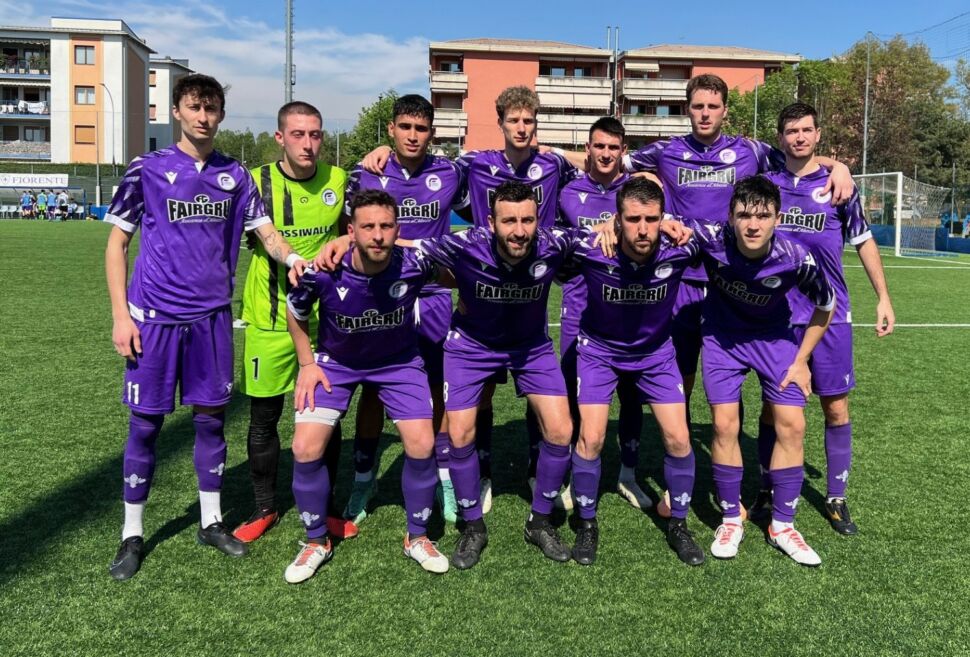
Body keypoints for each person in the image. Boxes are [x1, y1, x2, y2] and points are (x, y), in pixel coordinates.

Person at [104, 73, 308, 581]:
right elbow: (117, 245)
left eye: (211, 108)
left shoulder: (234, 175)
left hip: (212, 319)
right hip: (154, 321)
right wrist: (121, 316)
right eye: (195, 107)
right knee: (145, 426)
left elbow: (267, 234)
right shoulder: (147, 169)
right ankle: (132, 533)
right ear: (177, 111)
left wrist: (293, 258)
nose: (203, 117)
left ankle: (211, 522)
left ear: (220, 115)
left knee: (211, 422)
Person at [554, 74, 853, 418]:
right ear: (688, 109)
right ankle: (678, 442)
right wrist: (558, 156)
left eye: (713, 106)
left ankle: (727, 438)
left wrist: (838, 166)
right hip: (680, 279)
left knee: (729, 372)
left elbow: (797, 155)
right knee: (681, 373)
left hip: (730, 280)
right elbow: (608, 162)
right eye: (698, 106)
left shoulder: (750, 150)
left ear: (725, 110)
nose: (705, 113)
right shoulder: (666, 150)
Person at [362, 87, 581, 512]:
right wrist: (384, 149)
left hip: (530, 288)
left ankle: (538, 469)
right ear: (500, 123)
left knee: (540, 395)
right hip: (482, 284)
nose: (521, 128)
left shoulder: (552, 164)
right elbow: (424, 161)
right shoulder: (474, 163)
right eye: (514, 120)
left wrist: (560, 150)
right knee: (480, 394)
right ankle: (481, 472)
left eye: (529, 121)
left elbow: (599, 166)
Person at [283, 189, 449, 583]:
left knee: (422, 443)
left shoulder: (415, 264)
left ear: (398, 230)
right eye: (368, 226)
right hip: (336, 364)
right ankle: (316, 541)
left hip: (399, 363)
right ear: (351, 231)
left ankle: (418, 537)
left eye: (386, 226)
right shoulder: (323, 271)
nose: (377, 235)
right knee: (305, 447)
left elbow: (458, 272)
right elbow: (295, 310)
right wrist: (306, 364)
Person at [751, 102, 895, 534]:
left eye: (806, 130)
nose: (799, 137)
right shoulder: (768, 185)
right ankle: (765, 487)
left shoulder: (838, 187)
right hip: (779, 318)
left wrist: (883, 298)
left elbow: (864, 241)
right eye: (791, 130)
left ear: (817, 135)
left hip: (831, 316)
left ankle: (836, 497)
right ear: (780, 138)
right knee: (772, 407)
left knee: (835, 406)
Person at [691, 175, 834, 566]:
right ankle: (730, 518)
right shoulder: (711, 238)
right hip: (722, 339)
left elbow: (826, 304)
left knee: (793, 425)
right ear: (730, 217)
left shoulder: (795, 256)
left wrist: (801, 360)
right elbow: (663, 226)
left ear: (777, 219)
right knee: (724, 425)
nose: (753, 225)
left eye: (763, 216)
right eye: (744, 215)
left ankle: (782, 526)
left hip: (775, 340)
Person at [230, 101, 352, 544]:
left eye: (315, 134)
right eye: (298, 134)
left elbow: (356, 228)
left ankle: (328, 507)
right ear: (279, 137)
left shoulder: (339, 180)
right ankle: (265, 507)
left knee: (326, 415)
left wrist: (343, 240)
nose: (307, 143)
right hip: (268, 318)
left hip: (323, 321)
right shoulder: (254, 181)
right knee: (264, 416)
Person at [565, 177, 704, 566]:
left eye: (651, 219)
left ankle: (679, 524)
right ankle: (586, 523)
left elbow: (729, 233)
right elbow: (539, 244)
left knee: (679, 437)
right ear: (617, 219)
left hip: (656, 354)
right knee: (591, 438)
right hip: (599, 352)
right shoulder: (591, 247)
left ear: (663, 218)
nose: (643, 229)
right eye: (633, 219)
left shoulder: (680, 247)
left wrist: (680, 225)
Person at [340, 94, 465, 526]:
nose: (413, 136)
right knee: (373, 388)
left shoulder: (451, 172)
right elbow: (346, 231)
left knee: (437, 387)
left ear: (432, 133)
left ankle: (443, 477)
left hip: (432, 295)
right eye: (405, 127)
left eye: (421, 128)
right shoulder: (367, 173)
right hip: (379, 298)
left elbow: (484, 202)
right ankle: (364, 478)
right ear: (391, 129)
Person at [557, 116, 649, 511]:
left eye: (614, 147)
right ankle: (572, 474)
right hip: (579, 307)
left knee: (631, 395)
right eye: (599, 146)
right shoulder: (567, 192)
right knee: (574, 394)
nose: (606, 153)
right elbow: (556, 245)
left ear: (623, 151)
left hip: (630, 308)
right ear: (588, 149)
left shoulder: (636, 192)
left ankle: (628, 474)